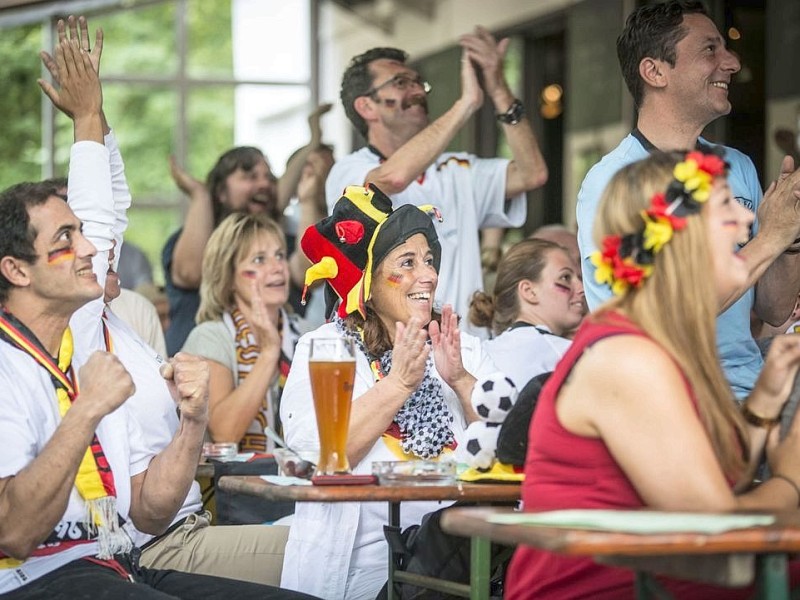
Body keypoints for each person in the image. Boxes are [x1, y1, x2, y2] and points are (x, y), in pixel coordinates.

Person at [0, 35, 306, 600]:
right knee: (329, 553)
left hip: (121, 555)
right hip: (37, 577)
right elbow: (14, 532)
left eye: (88, 238)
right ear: (17, 272)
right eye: (69, 240)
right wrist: (87, 120)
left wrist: (192, 420)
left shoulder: (91, 336)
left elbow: (147, 510)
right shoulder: (36, 354)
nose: (93, 247)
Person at [506, 150, 800, 599]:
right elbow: (716, 533)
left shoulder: (647, 339)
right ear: (683, 239)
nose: (746, 222)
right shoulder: (629, 358)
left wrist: (763, 402)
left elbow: (717, 484)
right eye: (727, 208)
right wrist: (790, 479)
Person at [280, 185, 497, 599]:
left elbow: (509, 453)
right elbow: (319, 458)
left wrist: (463, 381)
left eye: (430, 261)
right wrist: (398, 384)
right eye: (408, 262)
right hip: (363, 572)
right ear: (369, 281)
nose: (429, 275)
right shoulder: (326, 347)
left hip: (468, 565)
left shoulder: (462, 347)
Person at [576, 0, 800, 398]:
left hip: (746, 388)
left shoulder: (737, 165)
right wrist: (769, 238)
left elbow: (773, 310)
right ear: (655, 71)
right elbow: (663, 315)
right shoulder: (612, 182)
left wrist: (790, 237)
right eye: (710, 49)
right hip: (664, 399)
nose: (731, 62)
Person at [327, 28, 549, 337]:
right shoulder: (349, 169)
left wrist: (498, 90)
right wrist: (467, 103)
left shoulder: (457, 168)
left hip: (467, 352)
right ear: (367, 107)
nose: (417, 90)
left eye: (418, 82)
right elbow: (392, 179)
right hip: (390, 356)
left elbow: (532, 173)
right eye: (401, 83)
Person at [163, 104, 331, 355]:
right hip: (199, 376)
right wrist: (200, 195)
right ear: (220, 192)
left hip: (280, 376)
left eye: (269, 177)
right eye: (250, 176)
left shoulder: (283, 243)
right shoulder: (192, 242)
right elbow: (189, 273)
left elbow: (310, 273)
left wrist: (308, 200)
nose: (264, 183)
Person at [182, 213, 309, 451]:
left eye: (280, 255)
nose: (277, 268)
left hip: (301, 481)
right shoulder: (210, 337)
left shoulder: (307, 334)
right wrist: (269, 352)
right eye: (259, 260)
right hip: (232, 484)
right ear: (228, 276)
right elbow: (224, 433)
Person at [469, 238, 584, 389]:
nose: (581, 289)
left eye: (580, 278)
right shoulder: (568, 354)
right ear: (529, 291)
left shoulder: (479, 354)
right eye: (565, 278)